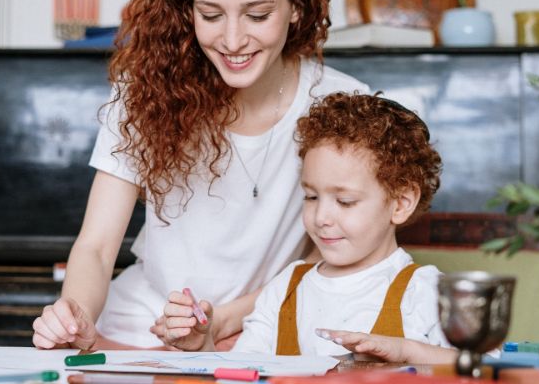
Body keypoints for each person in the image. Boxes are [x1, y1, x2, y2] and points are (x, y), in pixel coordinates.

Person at [32, 0, 367, 350]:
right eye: (210, 15)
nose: (232, 40)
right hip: (140, 322)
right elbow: (95, 246)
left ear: (298, 9)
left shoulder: (344, 106)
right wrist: (76, 318)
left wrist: (228, 321)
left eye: (258, 14)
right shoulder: (143, 93)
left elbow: (328, 259)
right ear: (186, 13)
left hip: (267, 323)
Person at [160, 93, 457, 364]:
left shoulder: (427, 292)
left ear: (401, 203)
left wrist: (406, 351)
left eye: (345, 201)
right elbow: (243, 377)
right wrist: (203, 349)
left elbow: (484, 372)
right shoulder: (286, 289)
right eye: (311, 197)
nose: (321, 217)